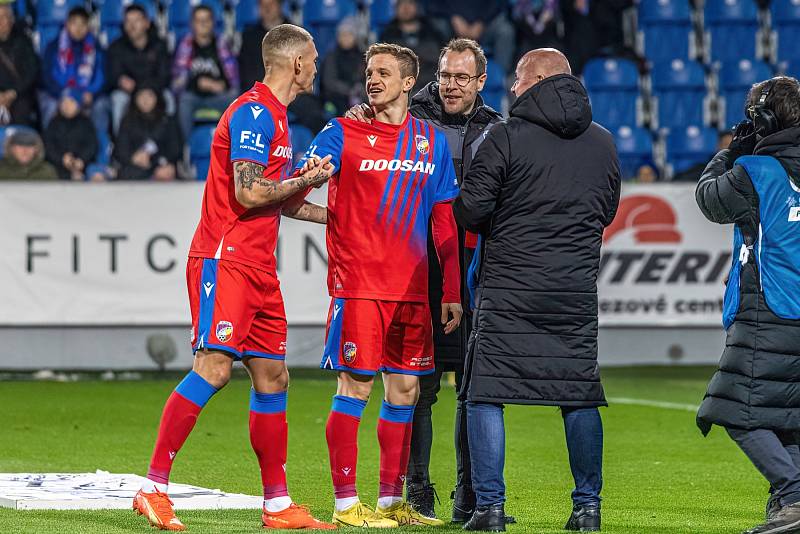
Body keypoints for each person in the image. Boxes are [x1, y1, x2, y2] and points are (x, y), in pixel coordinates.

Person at [132, 24, 336, 532]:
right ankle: (153, 488)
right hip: (225, 259)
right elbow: (249, 192)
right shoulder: (254, 112)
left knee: (273, 376)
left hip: (260, 267)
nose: (317, 66)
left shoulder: (281, 121)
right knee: (215, 368)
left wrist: (340, 217)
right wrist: (309, 176)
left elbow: (283, 200)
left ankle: (277, 505)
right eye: (312, 58)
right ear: (294, 64)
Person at [453, 48, 620, 532]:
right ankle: (587, 508)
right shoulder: (604, 142)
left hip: (508, 289)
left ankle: (490, 508)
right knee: (579, 393)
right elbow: (607, 211)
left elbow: (472, 211)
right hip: (573, 290)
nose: (512, 88)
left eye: (519, 79)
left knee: (484, 393)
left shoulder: (504, 136)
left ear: (542, 79)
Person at [295, 42, 462, 528]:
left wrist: (450, 290)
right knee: (356, 386)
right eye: (370, 72)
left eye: (384, 73)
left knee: (406, 390)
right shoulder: (340, 133)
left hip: (412, 289)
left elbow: (444, 223)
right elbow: (292, 192)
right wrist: (334, 215)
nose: (373, 79)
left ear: (410, 82)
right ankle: (346, 503)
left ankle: (392, 503)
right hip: (360, 286)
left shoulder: (430, 142)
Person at [346, 37, 504, 522]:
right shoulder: (405, 116)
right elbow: (368, 130)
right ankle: (415, 490)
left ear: (480, 81)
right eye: (445, 75)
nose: (451, 86)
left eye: (462, 78)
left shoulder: (499, 129)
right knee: (417, 385)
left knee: (474, 389)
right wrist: (360, 114)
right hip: (418, 269)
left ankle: (470, 495)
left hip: (474, 271)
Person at [695, 76, 800, 534]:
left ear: (762, 120)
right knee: (787, 414)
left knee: (731, 407)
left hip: (768, 306)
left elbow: (709, 199)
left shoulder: (757, 171)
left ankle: (794, 494)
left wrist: (730, 151)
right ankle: (790, 505)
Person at [172, 5, 238, 140]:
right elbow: (177, 84)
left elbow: (233, 79)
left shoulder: (222, 44)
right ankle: (186, 151)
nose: (202, 24)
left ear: (213, 22)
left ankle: (235, 150)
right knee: (183, 100)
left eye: (206, 20)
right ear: (192, 24)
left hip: (218, 96)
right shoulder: (185, 45)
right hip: (194, 97)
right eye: (198, 20)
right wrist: (199, 83)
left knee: (235, 99)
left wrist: (220, 85)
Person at [41, 7, 109, 134]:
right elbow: (47, 77)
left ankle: (100, 151)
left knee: (101, 106)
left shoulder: (97, 49)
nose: (78, 28)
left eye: (82, 24)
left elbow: (104, 78)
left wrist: (92, 95)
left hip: (87, 95)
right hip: (60, 94)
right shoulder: (53, 47)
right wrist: (63, 95)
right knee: (49, 105)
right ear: (67, 24)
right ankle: (49, 149)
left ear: (88, 26)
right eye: (74, 23)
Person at [106, 4, 172, 136]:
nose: (132, 25)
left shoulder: (159, 45)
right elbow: (113, 75)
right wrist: (120, 81)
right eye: (128, 21)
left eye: (136, 20)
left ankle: (167, 147)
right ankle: (122, 148)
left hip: (154, 90)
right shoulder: (116, 47)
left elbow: (164, 76)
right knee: (118, 99)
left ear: (146, 23)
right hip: (128, 92)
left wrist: (147, 89)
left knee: (169, 99)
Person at [112, 85, 182, 181]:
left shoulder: (167, 121)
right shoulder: (127, 121)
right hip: (134, 168)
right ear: (135, 99)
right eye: (141, 96)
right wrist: (133, 158)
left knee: (166, 173)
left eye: (149, 96)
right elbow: (120, 149)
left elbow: (175, 149)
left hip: (162, 167)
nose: (145, 100)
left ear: (157, 98)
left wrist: (155, 160)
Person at [426, 0, 516, 74]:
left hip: (484, 25)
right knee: (438, 27)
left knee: (505, 31)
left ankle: (501, 79)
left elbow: (498, 4)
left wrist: (482, 21)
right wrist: (452, 17)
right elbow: (433, 4)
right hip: (452, 26)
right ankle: (443, 74)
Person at [379, 0, 446, 88]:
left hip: (430, 85)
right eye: (401, 4)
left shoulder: (433, 33)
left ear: (418, 6)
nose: (405, 7)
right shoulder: (387, 36)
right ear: (395, 9)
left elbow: (443, 62)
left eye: (410, 2)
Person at [43, 91, 98, 181]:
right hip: (59, 165)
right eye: (63, 102)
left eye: (71, 102)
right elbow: (49, 145)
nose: (66, 106)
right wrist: (61, 158)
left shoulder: (86, 123)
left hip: (84, 165)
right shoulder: (53, 123)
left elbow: (92, 145)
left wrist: (82, 160)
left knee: (94, 173)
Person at [0, 3, 38, 127]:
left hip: (19, 94)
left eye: (6, 17)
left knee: (22, 110)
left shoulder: (23, 40)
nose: (2, 21)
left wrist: (14, 92)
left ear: (12, 19)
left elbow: (32, 71)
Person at [320, 17, 365, 115]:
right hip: (336, 99)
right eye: (342, 34)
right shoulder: (332, 56)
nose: (345, 38)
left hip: (358, 97)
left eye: (349, 34)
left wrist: (359, 89)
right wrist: (349, 90)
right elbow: (329, 82)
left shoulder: (363, 56)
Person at [238, 0, 288, 87]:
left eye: (271, 4)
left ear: (280, 6)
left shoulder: (295, 34)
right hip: (258, 92)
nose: (267, 8)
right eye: (262, 5)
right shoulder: (249, 37)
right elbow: (246, 70)